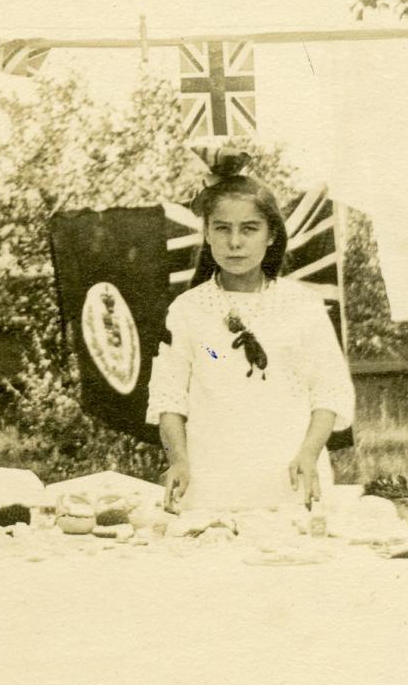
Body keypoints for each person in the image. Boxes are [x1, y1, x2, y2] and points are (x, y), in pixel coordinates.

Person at [147, 157, 355, 512]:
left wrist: (309, 452)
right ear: (208, 233)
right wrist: (178, 460)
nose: (235, 243)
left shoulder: (303, 305)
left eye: (249, 229)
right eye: (223, 229)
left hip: (290, 478)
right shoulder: (188, 310)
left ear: (271, 234)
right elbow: (168, 397)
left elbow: (330, 391)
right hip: (213, 480)